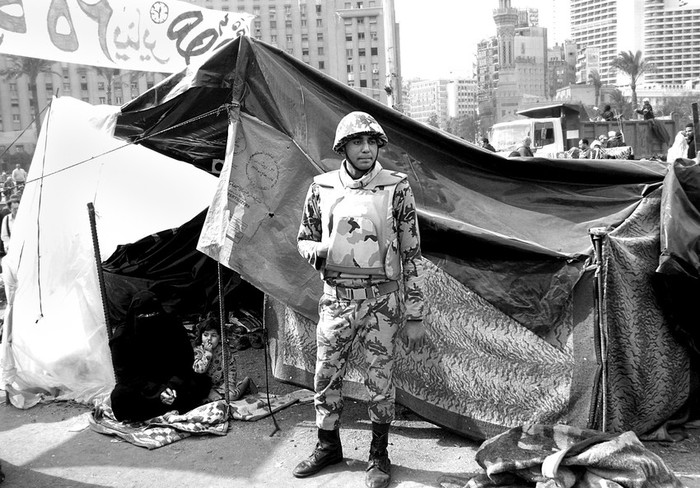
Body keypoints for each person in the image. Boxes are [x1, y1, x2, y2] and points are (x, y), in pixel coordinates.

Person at [294, 111, 425, 488]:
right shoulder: (321, 187)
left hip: (382, 302)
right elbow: (303, 236)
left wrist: (415, 313)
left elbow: (412, 254)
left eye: (371, 142)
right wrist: (321, 250)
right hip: (336, 299)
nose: (366, 149)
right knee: (325, 375)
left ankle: (378, 455)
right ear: (343, 148)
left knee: (380, 380)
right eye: (357, 142)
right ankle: (327, 445)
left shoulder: (396, 187)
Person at [109, 290, 211, 422]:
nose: (149, 319)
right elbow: (126, 375)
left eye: (153, 314)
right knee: (120, 397)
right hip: (143, 387)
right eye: (143, 316)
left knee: (200, 382)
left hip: (172, 381)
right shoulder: (122, 337)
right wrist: (157, 392)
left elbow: (185, 362)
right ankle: (173, 409)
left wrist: (172, 386)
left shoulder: (172, 325)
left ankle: (159, 411)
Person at [192, 314, 255, 402]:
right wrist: (208, 354)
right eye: (205, 335)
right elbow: (199, 370)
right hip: (204, 387)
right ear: (201, 336)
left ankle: (246, 382)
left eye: (213, 335)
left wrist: (230, 384)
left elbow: (231, 368)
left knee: (232, 396)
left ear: (220, 337)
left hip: (222, 383)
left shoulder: (224, 350)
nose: (209, 339)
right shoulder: (198, 350)